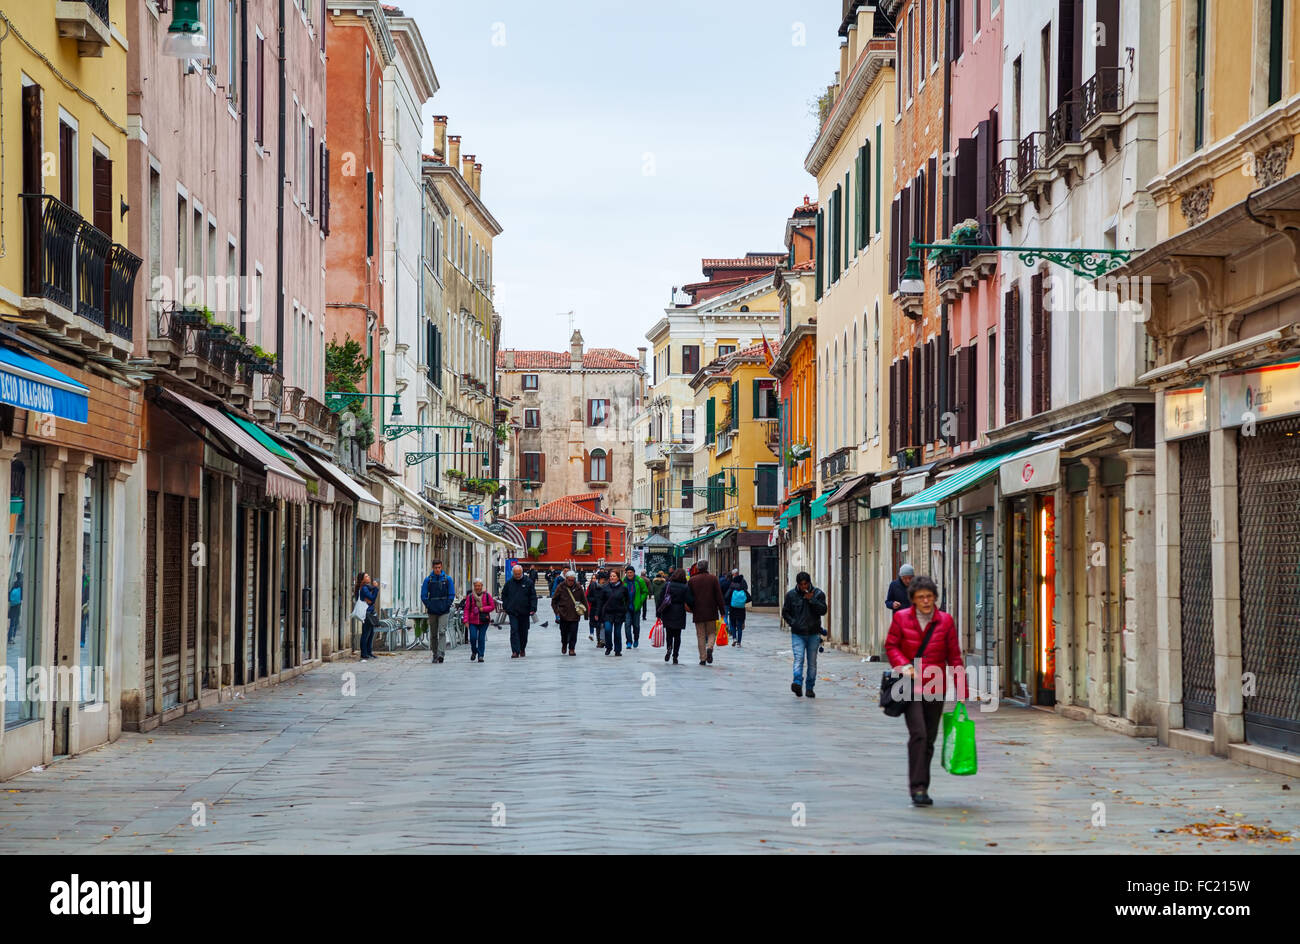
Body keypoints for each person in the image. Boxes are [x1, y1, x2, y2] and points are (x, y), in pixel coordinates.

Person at [884, 575, 964, 807]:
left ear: (935, 598)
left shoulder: (945, 621)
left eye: (929, 596)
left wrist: (961, 687)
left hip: (935, 687)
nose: (926, 601)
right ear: (913, 599)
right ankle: (917, 788)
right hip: (908, 686)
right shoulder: (900, 619)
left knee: (929, 738)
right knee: (918, 733)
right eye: (921, 597)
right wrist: (904, 665)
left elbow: (954, 655)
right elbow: (891, 646)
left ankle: (923, 786)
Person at [783, 571, 828, 697]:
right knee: (799, 658)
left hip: (813, 633)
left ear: (809, 583)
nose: (804, 587)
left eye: (806, 584)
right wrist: (794, 623)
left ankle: (810, 687)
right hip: (798, 633)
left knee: (812, 662)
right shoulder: (791, 595)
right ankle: (797, 683)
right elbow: (785, 612)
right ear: (798, 584)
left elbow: (823, 610)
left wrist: (812, 600)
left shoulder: (818, 594)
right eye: (801, 585)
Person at [686, 559, 724, 666]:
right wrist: (722, 611)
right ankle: (710, 647)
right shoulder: (713, 579)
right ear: (707, 567)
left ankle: (703, 658)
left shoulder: (692, 580)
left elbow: (688, 597)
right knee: (712, 632)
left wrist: (691, 608)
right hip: (711, 611)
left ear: (698, 568)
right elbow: (719, 596)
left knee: (700, 635)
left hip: (698, 612)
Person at [420, 560, 455, 664]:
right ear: (433, 568)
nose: (437, 570)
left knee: (442, 631)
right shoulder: (428, 580)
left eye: (439, 567)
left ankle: (441, 654)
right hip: (432, 610)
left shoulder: (447, 579)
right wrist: (429, 605)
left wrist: (447, 604)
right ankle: (435, 653)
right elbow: (423, 595)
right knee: (433, 634)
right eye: (436, 568)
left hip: (444, 610)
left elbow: (451, 594)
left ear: (441, 567)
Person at [501, 563, 538, 658]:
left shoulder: (528, 582)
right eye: (515, 574)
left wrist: (533, 608)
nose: (517, 576)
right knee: (514, 630)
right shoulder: (509, 583)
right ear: (513, 573)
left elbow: (533, 596)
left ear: (522, 572)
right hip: (512, 611)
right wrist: (506, 606)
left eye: (519, 574)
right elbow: (504, 595)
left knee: (523, 631)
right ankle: (515, 651)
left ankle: (522, 648)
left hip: (525, 611)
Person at [551, 570, 588, 656]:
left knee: (573, 633)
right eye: (569, 580)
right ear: (566, 579)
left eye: (572, 580)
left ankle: (572, 648)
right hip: (563, 614)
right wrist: (557, 612)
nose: (571, 582)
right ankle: (564, 644)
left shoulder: (578, 587)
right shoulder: (561, 587)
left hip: (575, 614)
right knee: (563, 632)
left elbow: (584, 600)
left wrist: (586, 614)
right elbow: (554, 601)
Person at [657, 568, 690, 664]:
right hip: (679, 611)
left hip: (668, 610)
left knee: (669, 633)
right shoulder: (685, 587)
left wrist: (658, 612)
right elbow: (689, 599)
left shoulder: (668, 585)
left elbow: (660, 598)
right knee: (677, 635)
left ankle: (669, 648)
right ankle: (675, 655)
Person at [463, 578, 495, 662]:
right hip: (472, 621)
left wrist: (482, 609)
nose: (478, 587)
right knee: (473, 638)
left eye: (479, 586)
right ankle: (474, 651)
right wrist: (466, 620)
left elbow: (492, 606)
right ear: (474, 586)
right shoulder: (470, 597)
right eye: (476, 586)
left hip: (484, 621)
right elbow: (466, 609)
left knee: (481, 638)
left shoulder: (487, 596)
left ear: (482, 586)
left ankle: (481, 655)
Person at [602, 568, 630, 656]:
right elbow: (601, 600)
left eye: (614, 576)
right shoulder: (605, 587)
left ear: (618, 577)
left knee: (617, 633)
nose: (612, 578)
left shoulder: (623, 588)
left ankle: (617, 650)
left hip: (619, 613)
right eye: (611, 576)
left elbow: (628, 599)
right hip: (608, 613)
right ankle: (608, 647)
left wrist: (625, 609)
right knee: (607, 630)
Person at [354, 572, 379, 662]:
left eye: (368, 575)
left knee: (371, 633)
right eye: (366, 576)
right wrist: (376, 589)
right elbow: (372, 598)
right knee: (366, 633)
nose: (369, 577)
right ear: (362, 579)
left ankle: (369, 652)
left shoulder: (366, 587)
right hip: (367, 612)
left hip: (369, 612)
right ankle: (364, 653)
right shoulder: (364, 588)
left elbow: (370, 596)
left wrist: (374, 588)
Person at [624, 565, 649, 648]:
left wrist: (640, 601)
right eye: (628, 573)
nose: (629, 574)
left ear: (634, 573)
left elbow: (645, 592)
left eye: (631, 572)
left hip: (636, 607)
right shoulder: (623, 581)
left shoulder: (639, 580)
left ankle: (636, 639)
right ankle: (629, 642)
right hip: (627, 607)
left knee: (636, 625)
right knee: (627, 625)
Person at [726, 568, 750, 646]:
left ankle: (734, 638)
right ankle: (739, 642)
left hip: (733, 608)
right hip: (741, 608)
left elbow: (726, 596)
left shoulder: (732, 585)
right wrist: (742, 601)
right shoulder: (743, 585)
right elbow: (749, 597)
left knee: (732, 624)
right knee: (739, 625)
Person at [586, 570, 608, 645]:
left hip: (605, 608)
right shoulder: (593, 585)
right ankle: (599, 641)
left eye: (605, 579)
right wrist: (595, 600)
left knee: (603, 625)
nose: (603, 581)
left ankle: (602, 640)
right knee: (598, 625)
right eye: (602, 579)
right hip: (595, 608)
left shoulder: (607, 586)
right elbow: (588, 597)